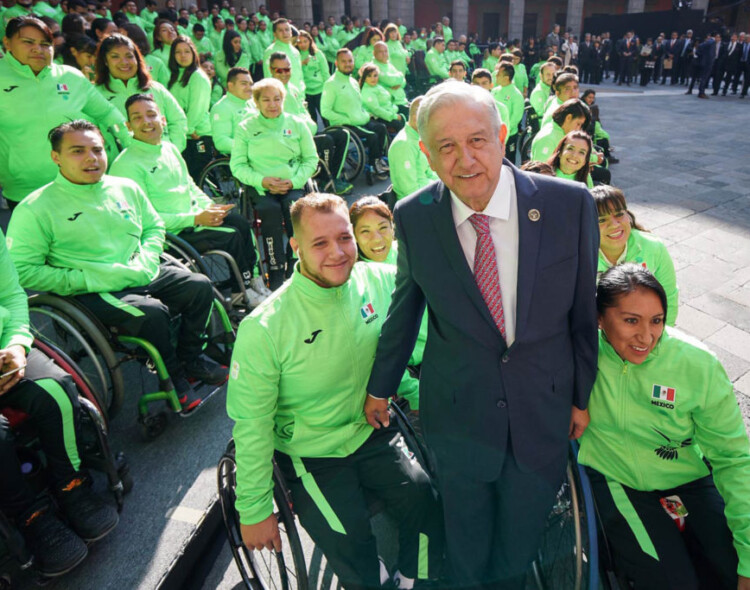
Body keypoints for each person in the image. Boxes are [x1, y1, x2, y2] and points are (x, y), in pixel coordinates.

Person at [364, 82, 599, 589]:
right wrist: (379, 386)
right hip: (458, 413)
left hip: (542, 408)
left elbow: (583, 313)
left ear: (502, 134)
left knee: (519, 544)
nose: (464, 159)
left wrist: (581, 397)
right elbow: (405, 310)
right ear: (425, 153)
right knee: (465, 543)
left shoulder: (569, 205)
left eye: (476, 140)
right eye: (446, 146)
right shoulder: (414, 217)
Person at [227, 193, 441, 590]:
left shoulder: (378, 280)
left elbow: (402, 347)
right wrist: (253, 508)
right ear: (296, 247)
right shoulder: (264, 327)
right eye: (320, 243)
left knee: (426, 503)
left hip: (371, 428)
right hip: (312, 452)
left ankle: (416, 579)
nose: (338, 253)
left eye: (345, 238)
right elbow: (252, 424)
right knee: (351, 539)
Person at [6, 120, 227, 411]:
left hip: (142, 269)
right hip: (93, 287)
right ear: (55, 157)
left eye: (97, 149)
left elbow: (153, 227)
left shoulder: (125, 187)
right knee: (153, 314)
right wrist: (85, 278)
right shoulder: (35, 208)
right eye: (77, 151)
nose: (91, 158)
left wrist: (147, 258)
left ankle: (191, 358)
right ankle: (173, 378)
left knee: (200, 286)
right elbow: (22, 270)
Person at [578, 263, 750, 590]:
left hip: (691, 479)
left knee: (735, 570)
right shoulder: (581, 354)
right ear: (599, 319)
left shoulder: (699, 365)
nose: (647, 337)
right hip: (619, 481)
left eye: (656, 321)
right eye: (631, 320)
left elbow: (733, 458)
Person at [0, 227, 119, 578]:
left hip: (5, 351)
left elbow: (11, 296)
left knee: (57, 389)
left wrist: (18, 346)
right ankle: (32, 516)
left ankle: (72, 485)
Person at [110, 94, 269, 307]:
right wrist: (195, 218)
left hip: (193, 220)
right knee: (231, 236)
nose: (146, 122)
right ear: (129, 125)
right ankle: (242, 292)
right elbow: (144, 221)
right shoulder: (126, 165)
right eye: (137, 118)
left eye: (151, 115)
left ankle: (254, 283)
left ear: (163, 119)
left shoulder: (169, 149)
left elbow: (190, 186)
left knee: (239, 222)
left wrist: (210, 207)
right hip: (170, 235)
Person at [0, 16, 128, 207]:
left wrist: (131, 145)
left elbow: (108, 114)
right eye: (28, 42)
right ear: (7, 43)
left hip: (76, 183)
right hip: (23, 191)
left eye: (46, 44)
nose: (38, 49)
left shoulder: (71, 76)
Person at [229, 78, 317, 289]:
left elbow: (311, 159)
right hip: (262, 186)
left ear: (283, 100)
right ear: (256, 102)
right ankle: (275, 269)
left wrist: (294, 181)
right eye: (266, 100)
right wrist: (262, 181)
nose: (272, 104)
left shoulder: (297, 124)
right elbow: (238, 165)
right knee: (269, 211)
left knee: (295, 210)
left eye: (277, 99)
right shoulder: (246, 128)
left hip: (292, 184)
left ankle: (296, 262)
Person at [592, 186, 678, 326]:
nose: (614, 224)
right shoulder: (579, 256)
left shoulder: (654, 247)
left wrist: (661, 338)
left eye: (619, 214)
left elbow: (669, 296)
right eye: (601, 220)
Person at [94, 33, 187, 160]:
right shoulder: (96, 94)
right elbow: (93, 134)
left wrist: (173, 149)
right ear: (105, 61)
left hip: (164, 161)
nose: (124, 62)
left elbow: (178, 120)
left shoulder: (155, 88)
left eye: (129, 56)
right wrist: (114, 160)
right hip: (124, 168)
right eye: (115, 57)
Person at [321, 48, 389, 182]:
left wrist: (365, 113)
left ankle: (377, 159)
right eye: (343, 61)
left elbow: (359, 104)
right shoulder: (331, 84)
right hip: (345, 124)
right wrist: (347, 119)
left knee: (381, 128)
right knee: (372, 136)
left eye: (350, 61)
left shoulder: (353, 81)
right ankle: (374, 165)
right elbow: (325, 111)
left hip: (359, 120)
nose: (347, 64)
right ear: (336, 63)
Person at [167, 35, 214, 181]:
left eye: (187, 51)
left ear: (193, 53)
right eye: (178, 52)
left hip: (196, 134)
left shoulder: (198, 77)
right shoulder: (175, 77)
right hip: (182, 134)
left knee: (200, 178)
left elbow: (197, 108)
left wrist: (190, 130)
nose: (183, 56)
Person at [387, 96, 438, 202]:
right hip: (416, 205)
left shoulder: (418, 137)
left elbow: (428, 172)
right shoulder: (403, 144)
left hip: (427, 192)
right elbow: (409, 191)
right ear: (416, 118)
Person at [209, 66, 256, 155]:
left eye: (251, 84)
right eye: (244, 83)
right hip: (238, 158)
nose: (249, 88)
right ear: (231, 85)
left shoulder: (252, 103)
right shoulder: (222, 108)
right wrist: (251, 148)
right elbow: (221, 142)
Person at [262, 18, 304, 93]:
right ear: (274, 34)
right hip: (281, 96)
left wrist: (302, 94)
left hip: (298, 96)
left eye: (287, 29)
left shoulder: (295, 51)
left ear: (291, 32)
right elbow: (269, 78)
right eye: (280, 30)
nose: (285, 33)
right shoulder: (271, 51)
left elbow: (300, 76)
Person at [492, 62, 524, 159]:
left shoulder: (516, 95)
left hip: (509, 136)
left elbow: (516, 117)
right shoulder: (495, 91)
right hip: (493, 134)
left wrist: (504, 130)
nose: (496, 76)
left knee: (508, 161)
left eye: (498, 74)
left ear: (506, 78)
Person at [359, 62, 404, 132]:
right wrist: (394, 116)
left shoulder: (377, 86)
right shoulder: (367, 91)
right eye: (369, 76)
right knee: (399, 123)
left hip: (389, 112)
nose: (373, 78)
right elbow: (376, 110)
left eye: (375, 75)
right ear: (364, 77)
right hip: (377, 117)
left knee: (407, 111)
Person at [296, 29, 328, 123]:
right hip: (306, 92)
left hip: (320, 90)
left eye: (305, 41)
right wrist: (302, 64)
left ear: (310, 41)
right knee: (311, 119)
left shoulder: (318, 54)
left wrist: (327, 89)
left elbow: (325, 72)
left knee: (325, 117)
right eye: (300, 42)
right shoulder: (296, 56)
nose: (303, 44)